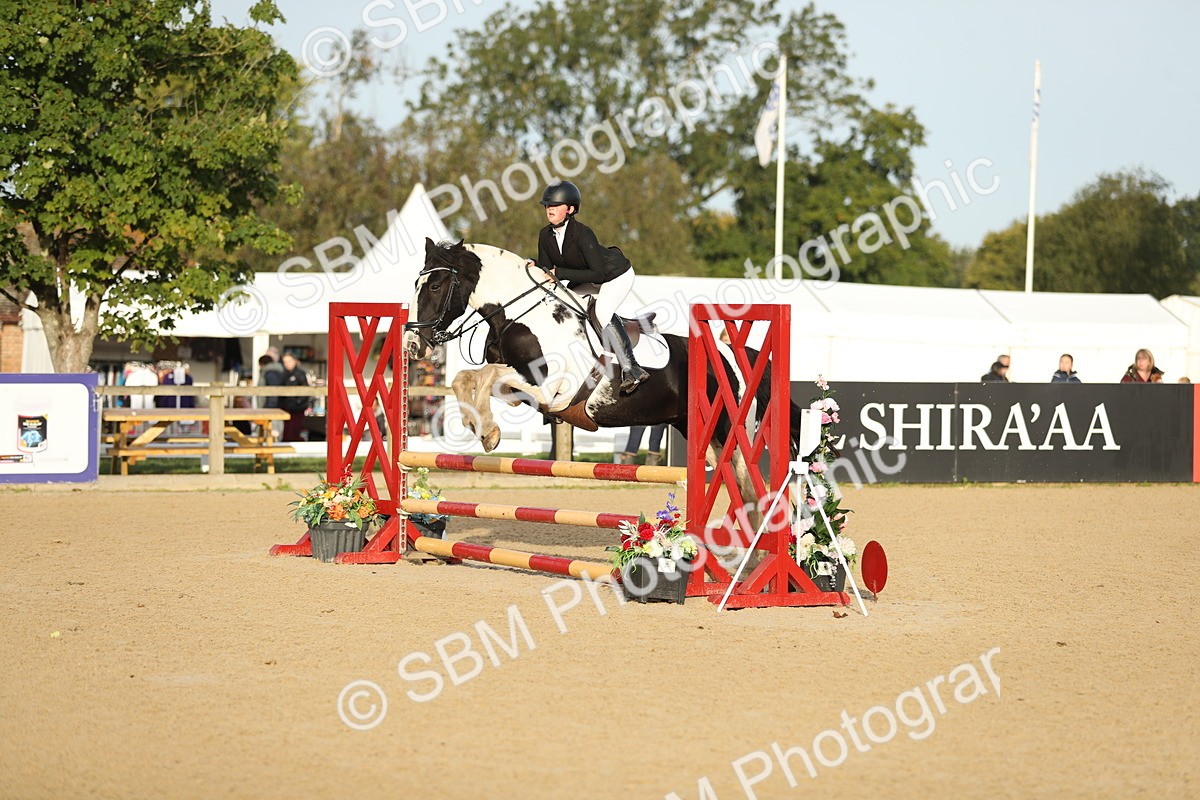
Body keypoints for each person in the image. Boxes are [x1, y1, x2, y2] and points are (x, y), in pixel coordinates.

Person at [528, 180, 648, 393]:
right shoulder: (544, 235)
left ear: (571, 209)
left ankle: (632, 368)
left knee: (602, 311)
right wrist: (535, 266)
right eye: (547, 205)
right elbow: (548, 267)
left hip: (615, 275)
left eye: (555, 205)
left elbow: (598, 274)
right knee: (562, 307)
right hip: (587, 278)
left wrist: (560, 274)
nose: (550, 209)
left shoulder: (583, 233)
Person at [279, 352, 311, 442]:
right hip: (288, 407)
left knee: (294, 429)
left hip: (297, 408)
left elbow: (305, 390)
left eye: (289, 361)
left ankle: (293, 445)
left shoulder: (300, 374)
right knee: (287, 429)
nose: (287, 364)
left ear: (295, 361)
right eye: (285, 362)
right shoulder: (285, 374)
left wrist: (298, 401)